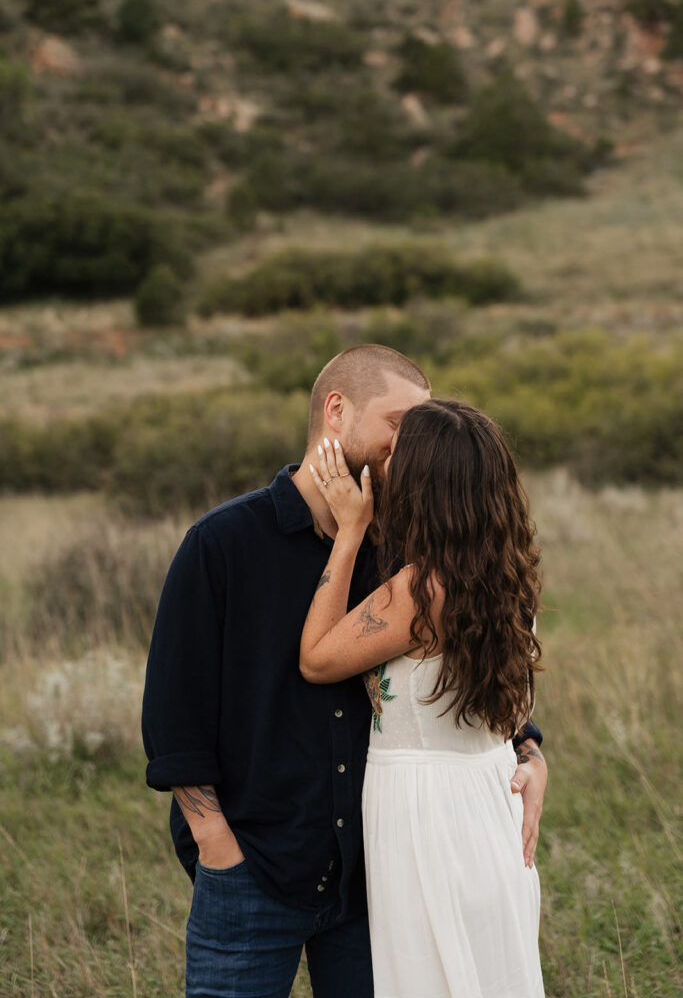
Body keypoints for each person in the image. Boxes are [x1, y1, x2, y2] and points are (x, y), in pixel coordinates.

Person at [142, 346, 547, 998]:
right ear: (337, 411)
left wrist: (527, 748)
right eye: (398, 424)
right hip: (252, 866)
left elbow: (464, 666)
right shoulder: (223, 544)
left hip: (376, 873)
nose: (410, 445)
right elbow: (174, 714)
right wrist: (216, 844)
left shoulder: (409, 550)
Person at [300, 398, 546, 998]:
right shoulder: (512, 574)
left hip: (425, 814)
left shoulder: (420, 588)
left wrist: (350, 531)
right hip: (489, 802)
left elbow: (316, 658)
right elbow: (507, 714)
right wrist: (534, 756)